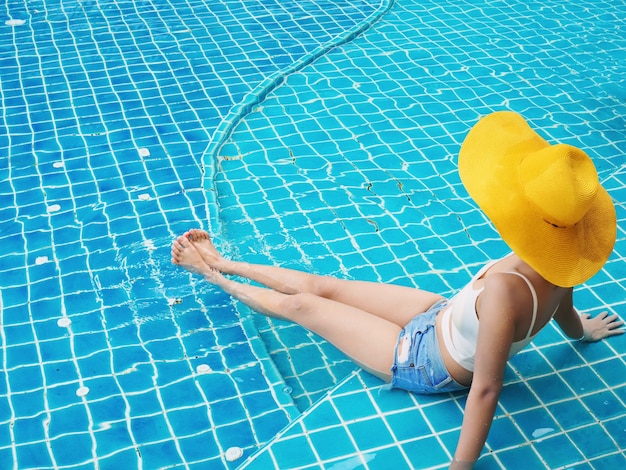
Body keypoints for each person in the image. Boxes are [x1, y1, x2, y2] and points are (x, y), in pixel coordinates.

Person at [171, 111, 624, 469]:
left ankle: (209, 274)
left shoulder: (507, 291)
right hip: (440, 315)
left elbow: (486, 388)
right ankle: (220, 258)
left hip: (424, 362)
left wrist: (461, 465)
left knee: (305, 306)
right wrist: (582, 331)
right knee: (326, 286)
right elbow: (565, 308)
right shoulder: (560, 267)